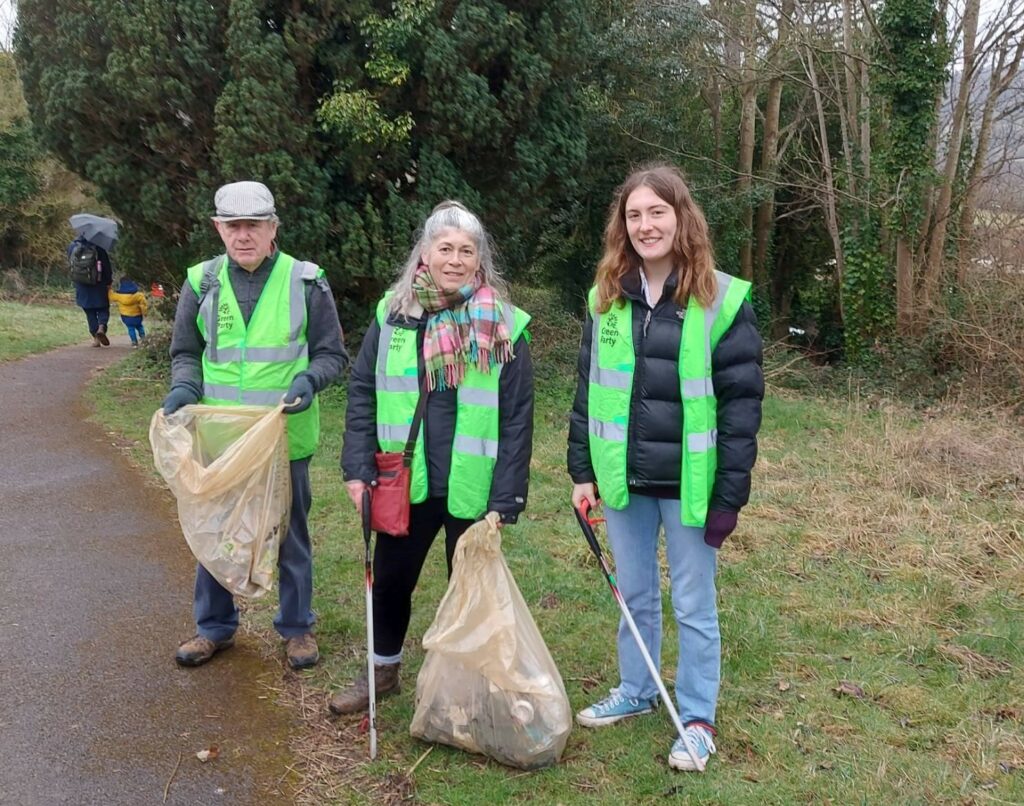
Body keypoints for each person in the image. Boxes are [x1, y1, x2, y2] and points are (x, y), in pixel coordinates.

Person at [567, 165, 763, 771]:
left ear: (682, 219)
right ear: (622, 227)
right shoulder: (606, 298)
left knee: (694, 606)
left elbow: (741, 409)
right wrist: (583, 471)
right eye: (634, 215)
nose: (645, 225)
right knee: (634, 596)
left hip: (691, 485)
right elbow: (587, 391)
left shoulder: (721, 300)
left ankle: (697, 717)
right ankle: (638, 689)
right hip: (623, 480)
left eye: (657, 213)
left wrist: (730, 495)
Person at [329, 200, 534, 715]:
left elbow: (516, 417)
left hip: (474, 484)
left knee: (469, 591)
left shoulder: (504, 324)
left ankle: (466, 687)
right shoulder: (393, 314)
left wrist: (507, 494)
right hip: (405, 481)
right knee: (392, 581)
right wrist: (358, 467)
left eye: (467, 250)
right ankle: (383, 669)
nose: (455, 259)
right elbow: (362, 392)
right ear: (425, 252)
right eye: (445, 248)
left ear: (480, 260)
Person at [163, 181, 348, 670]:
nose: (243, 236)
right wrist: (186, 387)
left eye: (254, 226)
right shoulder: (201, 281)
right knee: (215, 531)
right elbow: (186, 353)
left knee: (290, 533)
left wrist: (311, 378)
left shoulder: (306, 281)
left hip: (286, 437)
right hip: (222, 437)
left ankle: (296, 627)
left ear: (273, 229)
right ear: (218, 229)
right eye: (233, 226)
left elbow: (333, 353)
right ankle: (214, 628)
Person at [68, 235, 113, 346]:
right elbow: (106, 267)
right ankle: (101, 327)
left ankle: (95, 338)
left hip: (81, 284)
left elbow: (71, 264)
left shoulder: (72, 247)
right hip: (99, 283)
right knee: (103, 307)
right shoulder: (99, 248)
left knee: (89, 311)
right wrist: (108, 282)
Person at [108, 276, 149, 347]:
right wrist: (144, 313)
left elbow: (111, 296)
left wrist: (109, 289)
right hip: (137, 315)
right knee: (140, 326)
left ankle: (134, 341)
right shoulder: (138, 295)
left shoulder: (119, 296)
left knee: (131, 329)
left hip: (126, 316)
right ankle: (143, 339)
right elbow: (143, 305)